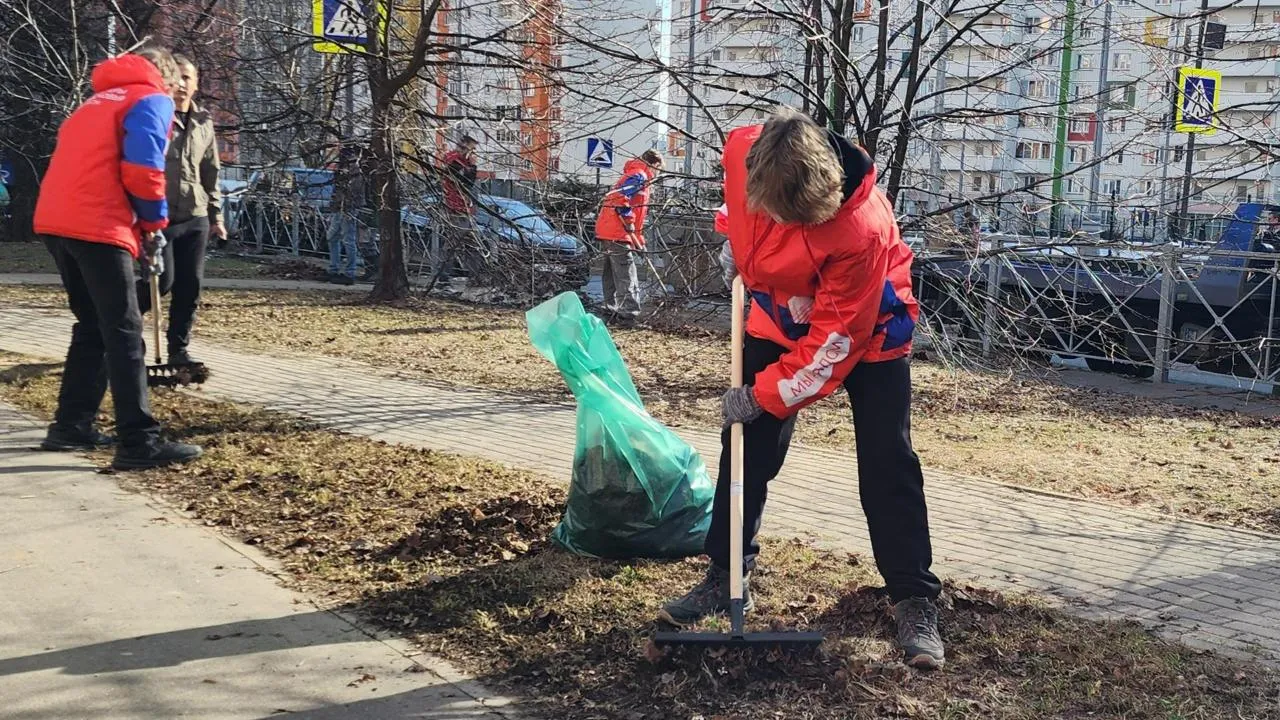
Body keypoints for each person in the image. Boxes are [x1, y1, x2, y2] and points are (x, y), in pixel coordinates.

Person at [658, 109, 944, 670]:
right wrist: (733, 247)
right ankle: (727, 572)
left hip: (869, 324)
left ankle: (913, 597)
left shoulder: (860, 227)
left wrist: (764, 394)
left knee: (888, 458)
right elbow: (740, 217)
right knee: (744, 447)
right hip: (776, 313)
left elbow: (835, 342)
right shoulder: (744, 154)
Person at [33, 45, 202, 470]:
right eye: (174, 78)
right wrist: (155, 225)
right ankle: (138, 442)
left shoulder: (94, 102)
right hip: (99, 224)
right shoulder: (150, 99)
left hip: (57, 221)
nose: (178, 86)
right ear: (160, 73)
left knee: (91, 324)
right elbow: (144, 169)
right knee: (124, 331)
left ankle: (71, 425)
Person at [135, 54, 222, 365]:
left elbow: (210, 170)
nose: (182, 85)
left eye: (189, 78)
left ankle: (179, 351)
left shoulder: (203, 122)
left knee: (190, 288)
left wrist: (216, 216)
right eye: (177, 78)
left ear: (196, 84)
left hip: (195, 216)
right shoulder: (155, 117)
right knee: (161, 281)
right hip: (160, 217)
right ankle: (121, 324)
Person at [594, 150, 663, 320]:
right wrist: (630, 224)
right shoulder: (639, 176)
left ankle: (610, 308)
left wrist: (638, 239)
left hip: (610, 230)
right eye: (658, 169)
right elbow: (620, 199)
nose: (657, 174)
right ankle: (628, 313)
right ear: (654, 164)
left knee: (611, 273)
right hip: (618, 232)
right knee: (626, 273)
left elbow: (633, 210)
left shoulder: (633, 174)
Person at [434, 135, 480, 288]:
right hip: (455, 207)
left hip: (465, 207)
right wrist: (472, 167)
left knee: (472, 244)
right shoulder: (454, 160)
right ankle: (443, 278)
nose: (473, 153)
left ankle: (475, 276)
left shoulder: (463, 161)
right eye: (472, 149)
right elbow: (465, 182)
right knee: (452, 243)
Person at [327, 145, 365, 285]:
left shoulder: (355, 171)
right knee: (332, 237)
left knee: (348, 240)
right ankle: (334, 269)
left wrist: (348, 207)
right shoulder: (341, 170)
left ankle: (350, 272)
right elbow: (337, 189)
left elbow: (353, 192)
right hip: (339, 208)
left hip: (348, 209)